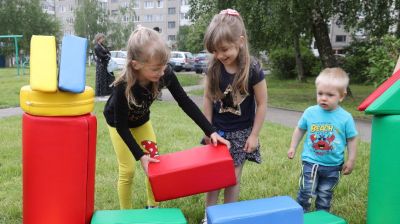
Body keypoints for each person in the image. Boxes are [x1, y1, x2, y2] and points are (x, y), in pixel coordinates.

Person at [103, 27, 230, 209]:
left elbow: (185, 102)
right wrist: (140, 156)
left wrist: (210, 131)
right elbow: (122, 127)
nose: (162, 72)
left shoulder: (165, 74)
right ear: (135, 64)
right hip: (117, 125)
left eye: (164, 66)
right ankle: (126, 214)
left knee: (154, 163)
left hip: (141, 122)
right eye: (156, 68)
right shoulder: (123, 87)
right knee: (128, 170)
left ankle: (152, 206)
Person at [200, 9, 268, 223]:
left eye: (224, 50)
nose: (220, 55)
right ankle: (209, 216)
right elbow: (208, 100)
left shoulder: (253, 68)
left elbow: (263, 102)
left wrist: (254, 135)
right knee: (213, 178)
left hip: (241, 133)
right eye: (215, 51)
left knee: (232, 178)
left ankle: (228, 217)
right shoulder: (213, 67)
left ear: (239, 41)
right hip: (217, 133)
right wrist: (207, 130)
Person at [287, 67, 358, 212]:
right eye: (320, 93)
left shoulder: (345, 118)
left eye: (330, 95)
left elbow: (352, 139)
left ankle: (322, 217)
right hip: (311, 162)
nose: (323, 98)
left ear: (342, 96)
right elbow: (300, 129)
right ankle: (302, 215)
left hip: (334, 165)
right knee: (306, 191)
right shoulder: (310, 112)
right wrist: (293, 146)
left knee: (325, 195)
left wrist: (351, 159)